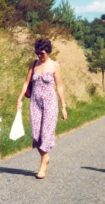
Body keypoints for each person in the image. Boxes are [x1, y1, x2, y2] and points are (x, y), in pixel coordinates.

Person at [17, 38, 67, 179]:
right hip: (35, 103)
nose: (40, 56)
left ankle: (43, 164)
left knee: (46, 133)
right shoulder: (33, 65)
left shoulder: (54, 66)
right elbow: (26, 83)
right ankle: (46, 156)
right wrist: (19, 98)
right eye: (38, 53)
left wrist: (63, 106)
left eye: (42, 53)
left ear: (48, 52)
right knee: (36, 134)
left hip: (50, 104)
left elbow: (60, 86)